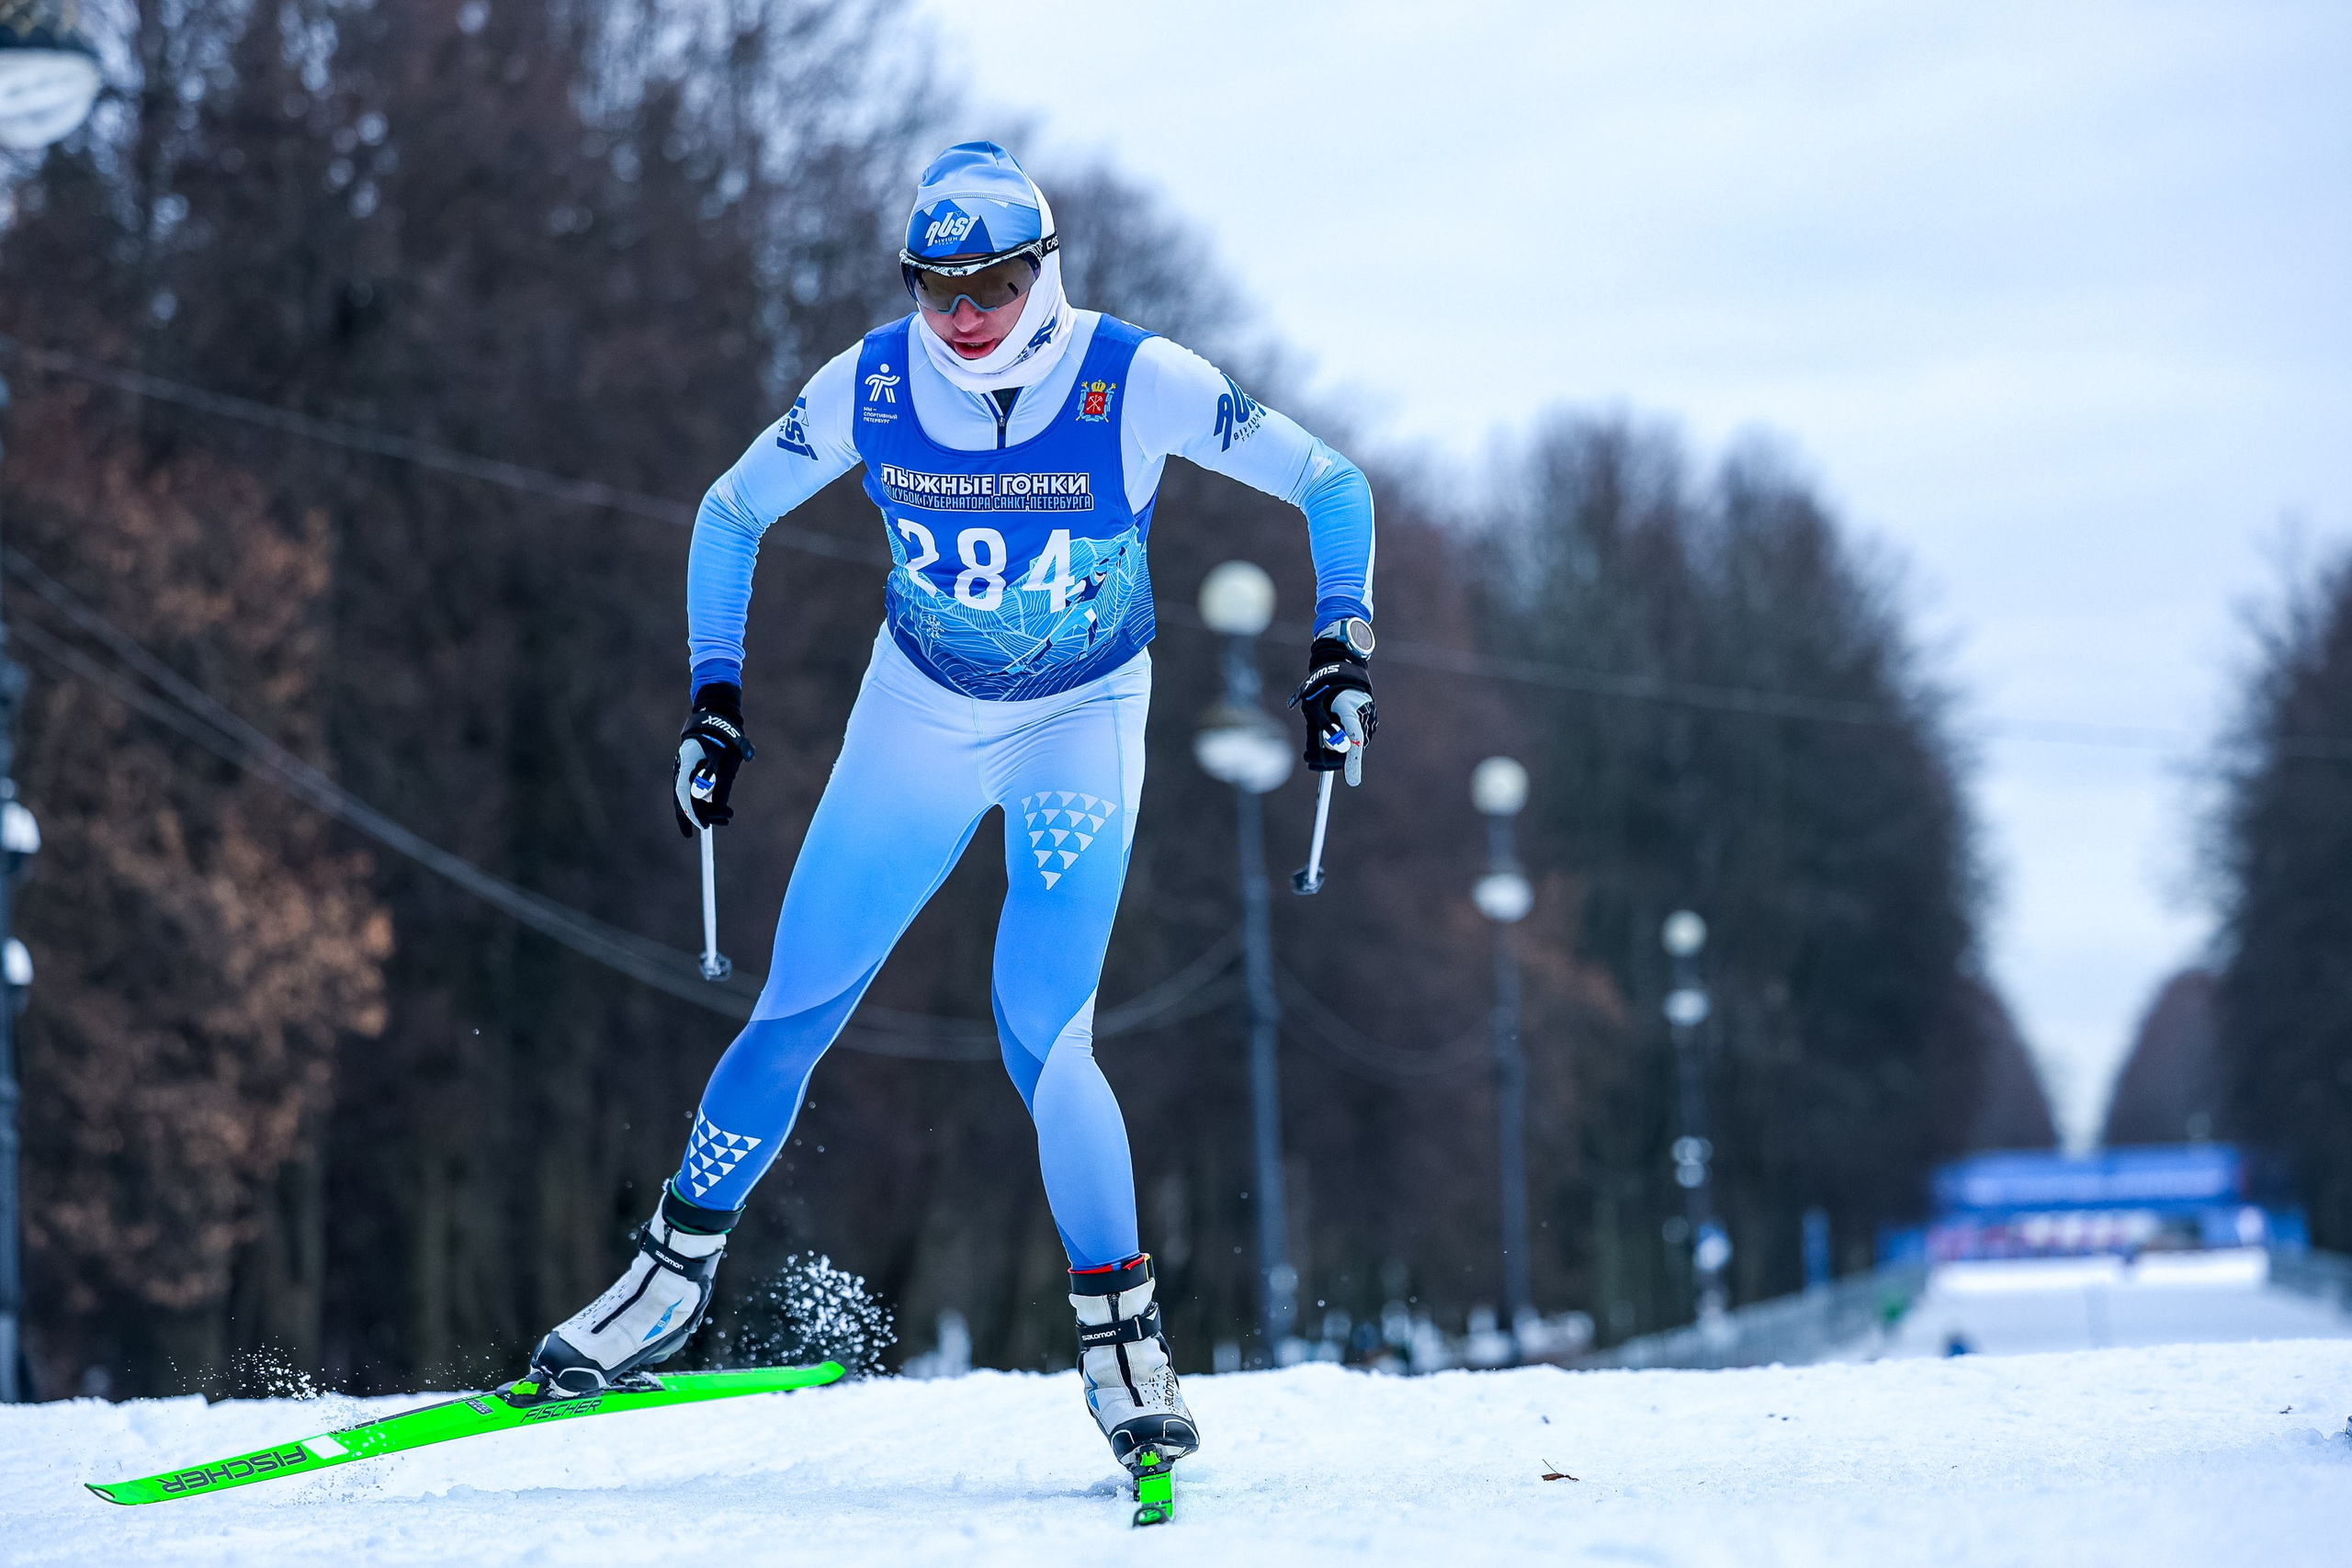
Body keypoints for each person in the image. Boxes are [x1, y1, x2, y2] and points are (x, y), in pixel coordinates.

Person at [527, 142, 1378, 1483]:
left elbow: (1332, 482)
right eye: (937, 286)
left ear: (1046, 268)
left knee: (1045, 1034)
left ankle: (1124, 1343)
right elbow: (730, 512)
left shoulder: (1133, 377)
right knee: (796, 1006)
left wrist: (1342, 645)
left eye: (992, 281)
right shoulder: (871, 383)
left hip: (1077, 727)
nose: (964, 313)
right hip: (916, 718)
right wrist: (713, 699)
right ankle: (668, 1283)